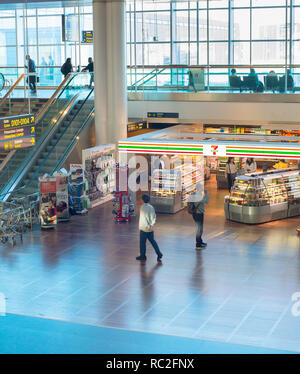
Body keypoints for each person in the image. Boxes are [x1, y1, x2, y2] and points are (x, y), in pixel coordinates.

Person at [136, 193, 163, 263]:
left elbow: (142, 218)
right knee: (153, 242)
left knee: (142, 243)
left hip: (143, 228)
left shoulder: (142, 207)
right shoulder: (151, 207)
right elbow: (153, 217)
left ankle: (143, 256)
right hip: (150, 229)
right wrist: (151, 225)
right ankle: (159, 253)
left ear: (142, 200)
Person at [187, 184, 209, 250]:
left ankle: (200, 241)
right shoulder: (198, 195)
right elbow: (206, 201)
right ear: (199, 188)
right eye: (202, 187)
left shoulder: (195, 194)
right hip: (198, 213)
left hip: (196, 213)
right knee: (199, 229)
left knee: (200, 228)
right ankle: (198, 245)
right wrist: (207, 194)